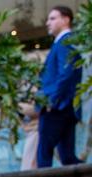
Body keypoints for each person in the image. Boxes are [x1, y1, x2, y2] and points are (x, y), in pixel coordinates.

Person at [37, 6, 83, 167]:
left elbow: (67, 73)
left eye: (52, 18)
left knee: (44, 155)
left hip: (57, 108)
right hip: (65, 107)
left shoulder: (64, 43)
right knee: (68, 158)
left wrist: (51, 100)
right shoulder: (66, 43)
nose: (47, 23)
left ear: (66, 20)